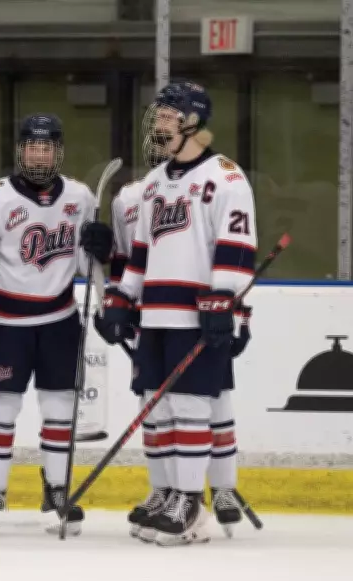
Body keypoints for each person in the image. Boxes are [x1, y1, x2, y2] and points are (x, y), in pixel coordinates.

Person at [92, 80, 258, 546]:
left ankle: (190, 500)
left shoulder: (225, 177)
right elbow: (141, 251)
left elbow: (237, 246)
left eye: (167, 116)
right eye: (157, 117)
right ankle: (166, 492)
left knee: (190, 406)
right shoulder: (155, 184)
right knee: (157, 407)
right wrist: (122, 300)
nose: (158, 125)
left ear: (193, 121)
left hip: (195, 314)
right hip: (156, 316)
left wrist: (225, 301)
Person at [0, 113, 114, 535]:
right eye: (32, 146)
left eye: (47, 147)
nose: (39, 154)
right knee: (1, 406)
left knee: (61, 408)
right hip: (5, 323)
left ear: (59, 151)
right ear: (20, 150)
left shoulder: (80, 197)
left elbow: (87, 262)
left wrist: (104, 264)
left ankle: (58, 489)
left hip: (60, 320)